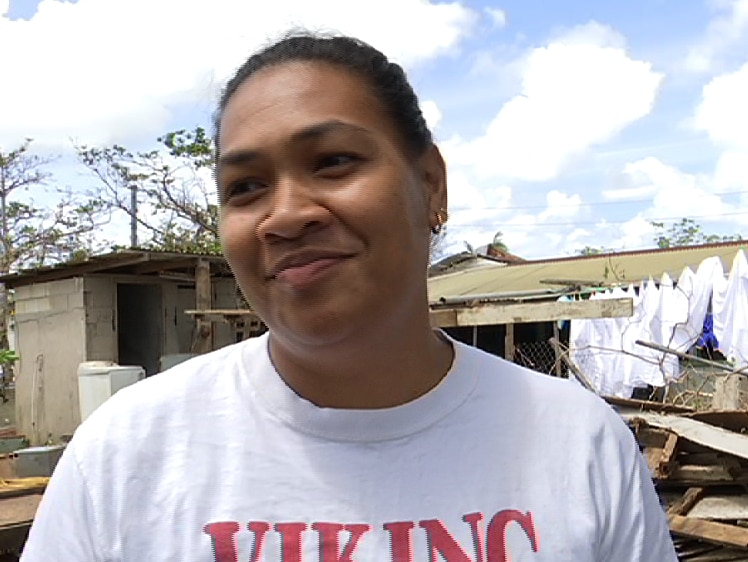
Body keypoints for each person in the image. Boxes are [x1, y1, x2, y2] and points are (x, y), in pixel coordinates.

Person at [21, 32, 677, 561]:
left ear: (432, 186)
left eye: (333, 161)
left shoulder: (575, 440)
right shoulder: (129, 450)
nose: (285, 215)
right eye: (245, 187)